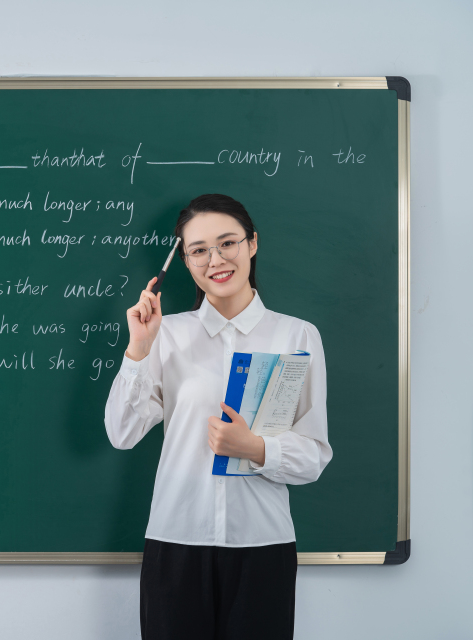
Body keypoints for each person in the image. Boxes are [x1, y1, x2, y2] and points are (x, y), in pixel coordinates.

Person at [104, 194, 333, 640]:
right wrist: (137, 349)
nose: (216, 260)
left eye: (227, 243)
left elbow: (314, 456)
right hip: (176, 541)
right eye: (199, 250)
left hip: (262, 545)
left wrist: (257, 449)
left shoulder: (297, 334)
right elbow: (121, 433)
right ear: (184, 261)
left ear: (252, 244)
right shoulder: (165, 333)